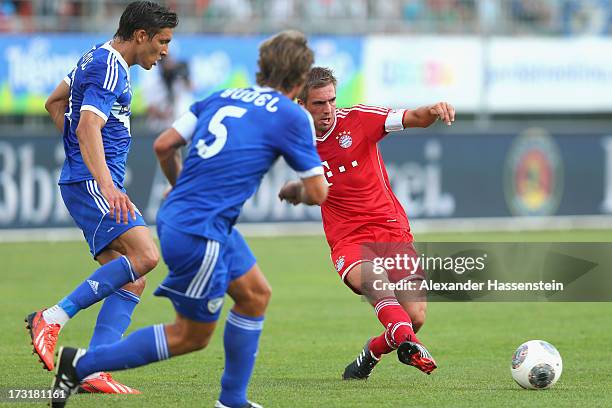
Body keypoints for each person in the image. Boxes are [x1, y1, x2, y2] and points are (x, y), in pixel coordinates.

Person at [50, 30, 328, 408]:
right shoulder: (293, 116)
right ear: (299, 79)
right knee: (191, 335)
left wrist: (181, 187)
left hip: (193, 220)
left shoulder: (221, 97)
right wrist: (295, 191)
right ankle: (81, 363)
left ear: (262, 67)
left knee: (255, 295)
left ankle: (232, 401)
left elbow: (164, 145)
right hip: (201, 230)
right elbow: (317, 192)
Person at [27, 0, 178, 394]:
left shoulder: (95, 58)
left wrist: (81, 150)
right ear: (141, 35)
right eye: (161, 41)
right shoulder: (109, 65)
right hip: (95, 182)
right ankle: (52, 317)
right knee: (146, 256)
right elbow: (89, 126)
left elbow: (54, 103)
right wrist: (105, 182)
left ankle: (92, 368)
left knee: (132, 281)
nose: (165, 51)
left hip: (88, 178)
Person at [279, 67, 455, 379]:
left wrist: (432, 110)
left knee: (414, 317)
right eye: (319, 103)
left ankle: (374, 351)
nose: (328, 109)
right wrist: (297, 191)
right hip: (347, 239)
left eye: (332, 100)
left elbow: (414, 118)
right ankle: (409, 344)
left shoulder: (359, 119)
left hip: (390, 228)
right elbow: (316, 190)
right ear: (301, 104)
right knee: (376, 282)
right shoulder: (296, 141)